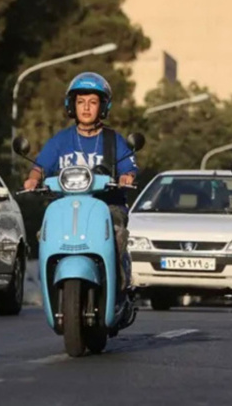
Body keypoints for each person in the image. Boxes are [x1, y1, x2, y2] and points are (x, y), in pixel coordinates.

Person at [22, 72, 138, 298]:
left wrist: (127, 177)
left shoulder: (113, 140)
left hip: (108, 206)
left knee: (115, 233)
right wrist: (33, 179)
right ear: (71, 106)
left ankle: (119, 283)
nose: (86, 108)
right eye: (80, 102)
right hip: (67, 207)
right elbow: (40, 166)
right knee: (45, 232)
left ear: (103, 107)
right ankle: (52, 284)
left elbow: (129, 167)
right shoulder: (61, 140)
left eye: (92, 102)